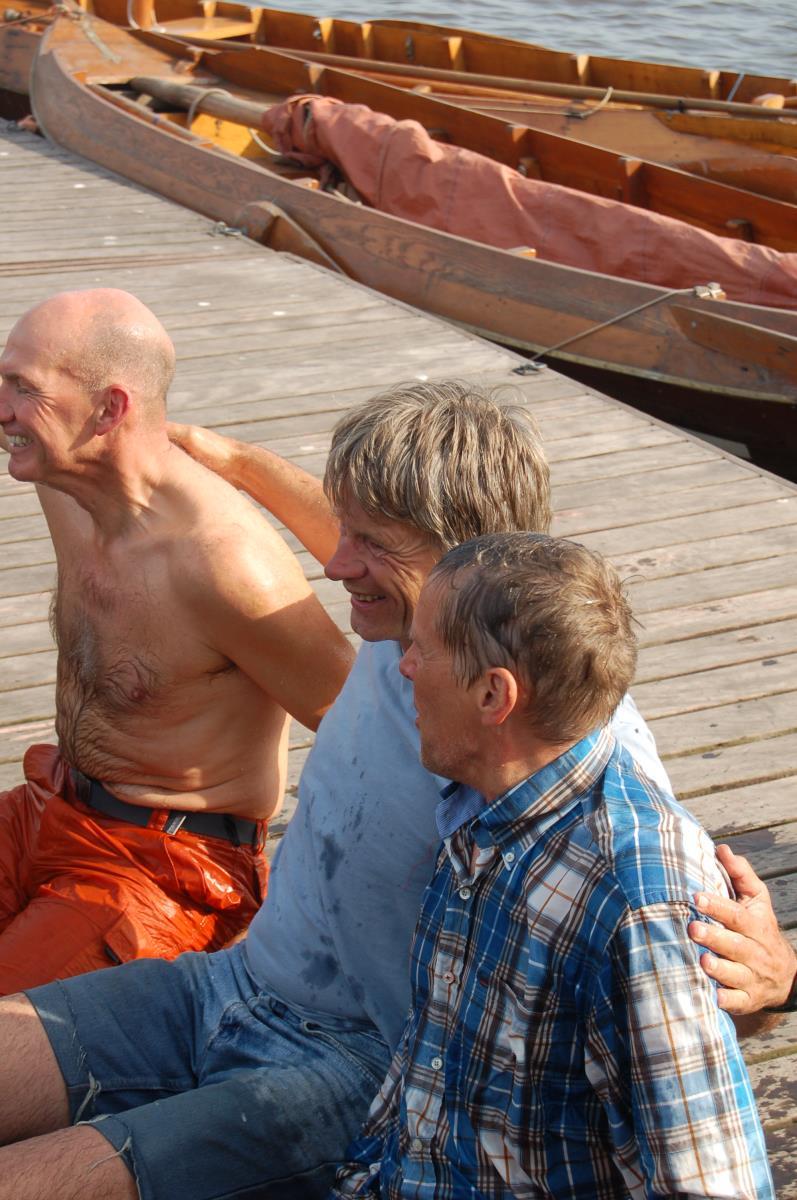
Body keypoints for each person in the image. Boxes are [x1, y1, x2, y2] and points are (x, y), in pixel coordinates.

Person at [0, 384, 792, 1200]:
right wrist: (241, 463)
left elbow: (667, 978)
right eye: (345, 531)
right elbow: (340, 530)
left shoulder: (554, 742)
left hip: (355, 1071)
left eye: (369, 543)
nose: (336, 563)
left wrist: (774, 984)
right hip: (226, 985)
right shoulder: (405, 622)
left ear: (466, 564)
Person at [331, 532, 774, 1198]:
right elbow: (427, 1088)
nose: (406, 668)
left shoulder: (636, 899)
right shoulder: (487, 809)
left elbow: (711, 1184)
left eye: (422, 649)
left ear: (493, 696)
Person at [0, 289, 353, 993]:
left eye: (22, 388)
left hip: (162, 869)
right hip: (54, 807)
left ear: (109, 411)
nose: (2, 407)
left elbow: (372, 723)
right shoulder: (63, 475)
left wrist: (246, 464)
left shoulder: (223, 565)